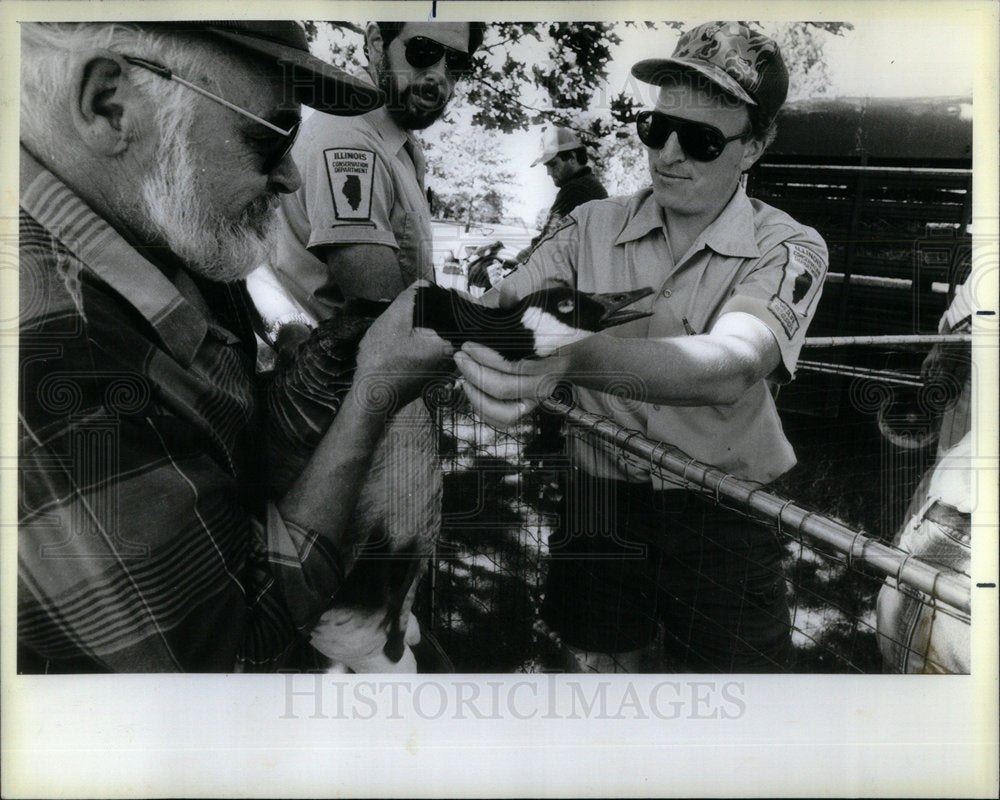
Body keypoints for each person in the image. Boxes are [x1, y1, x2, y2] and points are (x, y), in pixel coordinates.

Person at [17, 21, 453, 673]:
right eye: (269, 137)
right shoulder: (51, 349)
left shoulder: (146, 229)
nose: (290, 179)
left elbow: (225, 433)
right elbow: (231, 649)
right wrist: (372, 392)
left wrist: (312, 371)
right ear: (111, 103)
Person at [455, 22, 829, 672]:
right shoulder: (587, 225)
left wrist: (571, 357)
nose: (668, 155)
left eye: (702, 140)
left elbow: (732, 365)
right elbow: (502, 307)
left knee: (734, 707)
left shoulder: (791, 247)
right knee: (599, 680)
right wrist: (479, 332)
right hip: (599, 494)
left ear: (756, 145)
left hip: (725, 511)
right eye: (657, 129)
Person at [252, 21, 486, 325]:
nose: (439, 76)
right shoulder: (350, 140)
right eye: (423, 50)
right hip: (350, 368)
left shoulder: (393, 140)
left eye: (457, 63)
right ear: (376, 43)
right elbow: (384, 320)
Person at [519, 126, 608, 260]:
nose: (549, 173)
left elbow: (547, 243)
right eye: (547, 166)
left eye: (553, 164)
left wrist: (514, 263)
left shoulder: (577, 189)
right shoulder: (588, 183)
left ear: (572, 157)